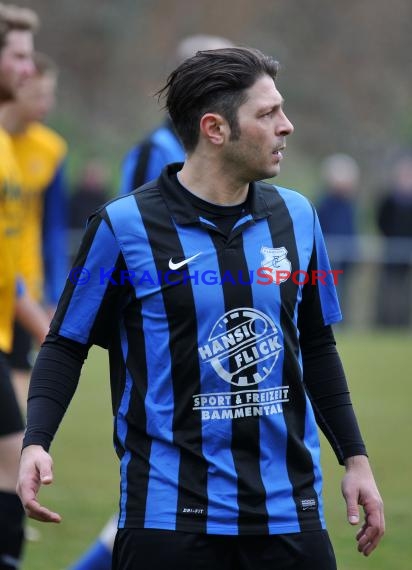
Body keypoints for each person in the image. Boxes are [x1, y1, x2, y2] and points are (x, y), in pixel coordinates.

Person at [17, 47, 384, 570]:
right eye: (267, 113)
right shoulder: (122, 227)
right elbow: (65, 342)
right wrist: (36, 443)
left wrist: (357, 461)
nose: (287, 126)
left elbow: (318, 347)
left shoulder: (299, 218)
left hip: (290, 514)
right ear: (215, 128)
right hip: (167, 519)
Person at [67, 34, 235, 570]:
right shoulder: (152, 152)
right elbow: (138, 234)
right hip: (162, 336)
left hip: (211, 329)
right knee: (158, 488)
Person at [0, 4, 49, 569]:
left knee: (12, 458)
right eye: (17, 55)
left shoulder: (11, 147)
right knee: (14, 456)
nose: (28, 69)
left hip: (6, 328)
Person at [1, 51, 69, 411]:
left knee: (19, 415)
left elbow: (51, 229)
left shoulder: (51, 149)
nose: (49, 103)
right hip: (6, 286)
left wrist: (53, 293)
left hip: (24, 289)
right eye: (41, 94)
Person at [119, 34, 233, 195]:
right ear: (190, 80)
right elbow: (132, 216)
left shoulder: (228, 147)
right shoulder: (153, 152)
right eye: (223, 77)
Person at [316, 153, 360, 320]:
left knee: (344, 295)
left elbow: (351, 229)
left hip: (346, 258)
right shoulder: (324, 203)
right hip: (328, 259)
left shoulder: (350, 204)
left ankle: (343, 322)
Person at [375, 151, 412, 326]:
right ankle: (386, 322)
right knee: (389, 289)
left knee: (405, 292)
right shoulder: (389, 199)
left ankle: (403, 323)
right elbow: (381, 220)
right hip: (391, 251)